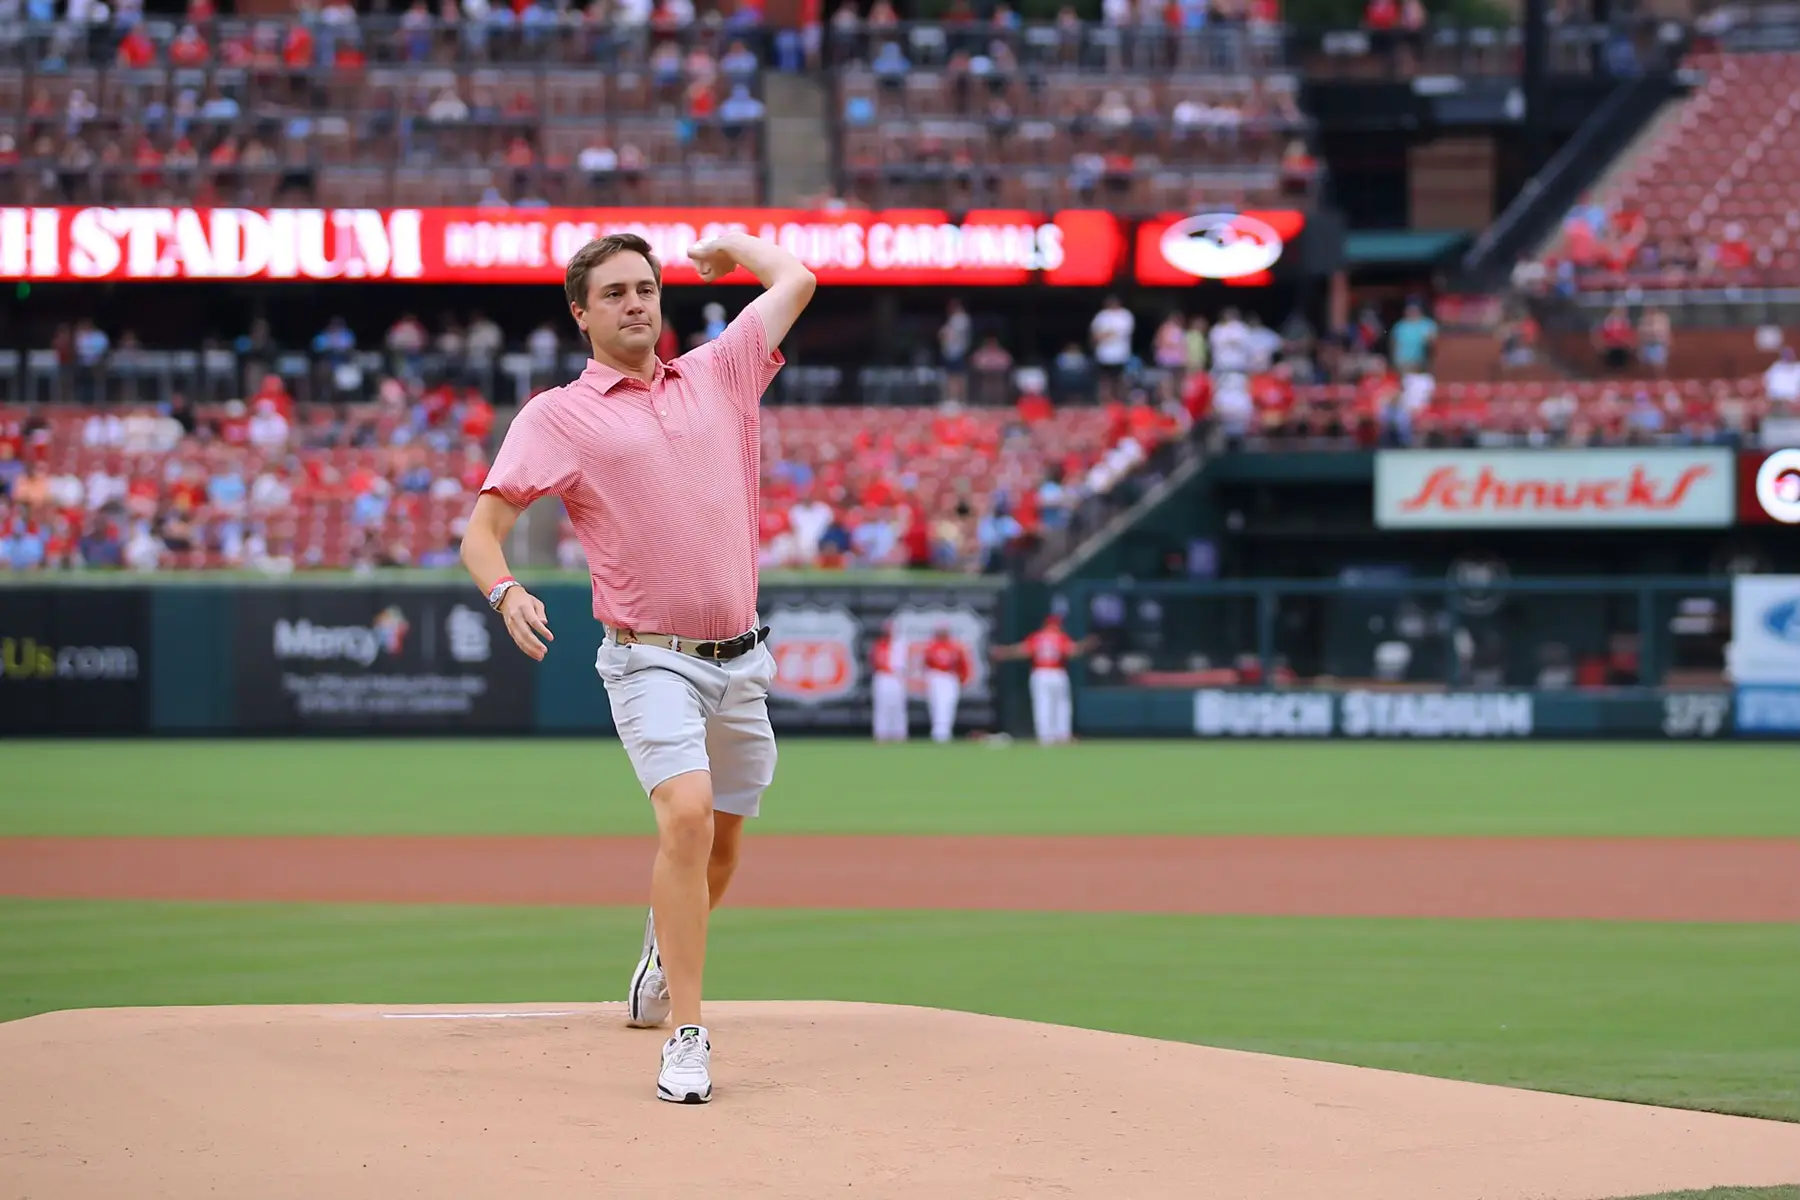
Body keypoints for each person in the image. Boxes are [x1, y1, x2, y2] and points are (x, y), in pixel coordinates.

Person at [461, 230, 816, 1106]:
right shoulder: (559, 415)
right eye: (614, 292)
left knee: (725, 839)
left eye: (646, 288)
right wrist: (505, 591)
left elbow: (798, 278)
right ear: (580, 314)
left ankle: (663, 949)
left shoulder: (720, 371)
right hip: (648, 657)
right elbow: (483, 529)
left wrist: (735, 246)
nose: (636, 303)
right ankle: (687, 1038)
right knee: (687, 817)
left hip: (742, 657)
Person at [992, 612, 1097, 744]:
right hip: (1057, 673)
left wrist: (1004, 652)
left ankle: (1045, 736)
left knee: (1043, 704)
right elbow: (1072, 652)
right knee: (1061, 705)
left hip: (1041, 673)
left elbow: (1023, 650)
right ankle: (1062, 735)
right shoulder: (1060, 637)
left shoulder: (1038, 637)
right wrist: (1084, 644)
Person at [920, 625, 971, 743]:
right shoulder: (932, 647)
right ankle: (937, 733)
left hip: (950, 677)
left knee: (948, 706)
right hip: (936, 676)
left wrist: (963, 679)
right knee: (936, 705)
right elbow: (926, 664)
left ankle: (945, 733)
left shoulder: (955, 647)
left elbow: (963, 665)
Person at [869, 619, 907, 742]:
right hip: (883, 676)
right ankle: (881, 734)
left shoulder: (900, 645)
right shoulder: (879, 644)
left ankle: (899, 734)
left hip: (897, 678)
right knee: (882, 706)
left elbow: (904, 664)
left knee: (898, 706)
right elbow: (874, 661)